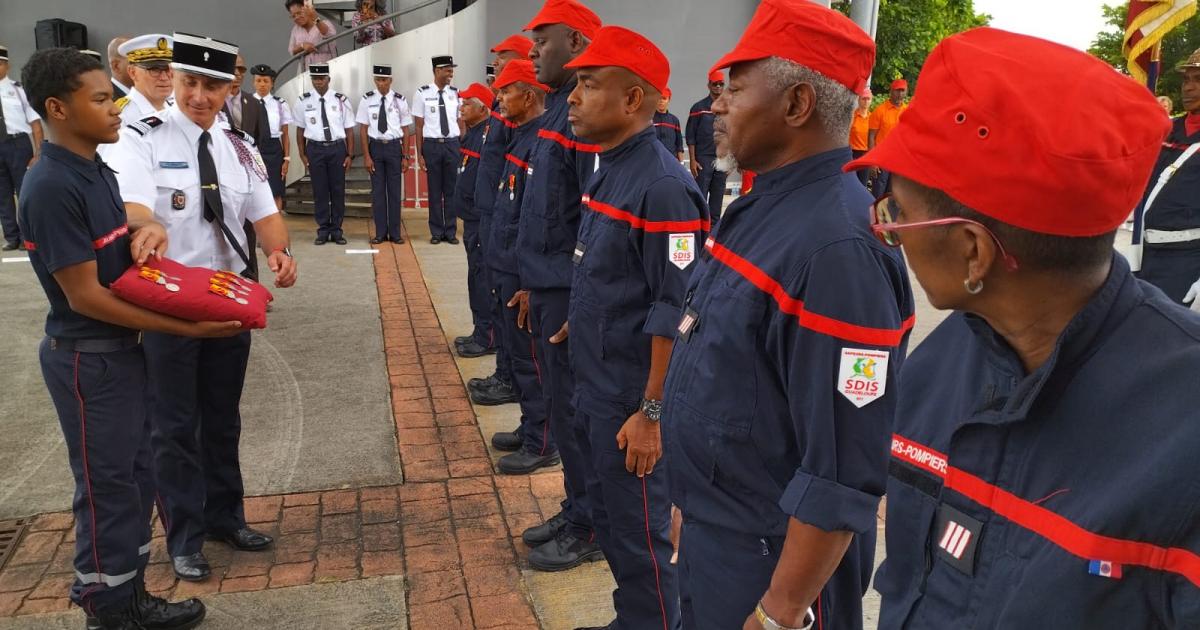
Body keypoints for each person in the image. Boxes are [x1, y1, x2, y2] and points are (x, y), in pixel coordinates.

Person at [845, 27, 1200, 629]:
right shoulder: (940, 367)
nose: (888, 232)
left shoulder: (1183, 435)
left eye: (896, 213)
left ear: (972, 252)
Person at [662, 2, 915, 628]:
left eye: (735, 89)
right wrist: (690, 500)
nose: (716, 105)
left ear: (797, 105)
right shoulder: (760, 208)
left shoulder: (837, 251)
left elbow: (842, 472)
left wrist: (781, 611)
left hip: (772, 567)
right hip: (718, 532)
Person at [17, 45, 222, 630]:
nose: (118, 108)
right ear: (58, 108)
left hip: (118, 355)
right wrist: (186, 325)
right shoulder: (51, 184)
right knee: (106, 487)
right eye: (103, 98)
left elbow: (124, 228)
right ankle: (108, 609)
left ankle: (129, 595)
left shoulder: (94, 167)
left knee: (135, 478)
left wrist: (151, 227)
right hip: (87, 360)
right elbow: (84, 295)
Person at [105, 32, 298, 583]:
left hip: (228, 300)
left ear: (227, 87)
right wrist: (148, 227)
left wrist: (280, 253)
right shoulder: (140, 136)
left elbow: (263, 212)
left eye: (212, 86)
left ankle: (225, 517)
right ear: (175, 80)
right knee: (173, 426)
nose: (199, 96)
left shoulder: (240, 144)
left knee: (222, 418)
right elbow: (136, 202)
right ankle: (184, 537)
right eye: (190, 83)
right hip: (171, 307)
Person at [564, 25, 711, 630]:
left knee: (641, 540)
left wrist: (651, 415)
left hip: (631, 402)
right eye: (575, 84)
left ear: (633, 100)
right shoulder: (612, 168)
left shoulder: (662, 186)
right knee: (613, 524)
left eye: (589, 84)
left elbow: (674, 311)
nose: (573, 96)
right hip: (596, 387)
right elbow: (613, 276)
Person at [510, 0, 605, 574]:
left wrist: (577, 298)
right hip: (547, 292)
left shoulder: (584, 121)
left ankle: (590, 523)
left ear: (573, 42)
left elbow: (593, 223)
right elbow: (544, 217)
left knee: (579, 415)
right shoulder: (555, 119)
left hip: (573, 298)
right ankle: (576, 508)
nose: (532, 53)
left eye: (541, 42)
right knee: (566, 418)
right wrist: (529, 283)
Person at [486, 59, 558, 476]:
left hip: (520, 273)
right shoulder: (521, 138)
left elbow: (538, 218)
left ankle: (542, 441)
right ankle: (530, 424)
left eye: (505, 92)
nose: (499, 99)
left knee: (531, 361)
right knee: (516, 355)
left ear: (528, 96)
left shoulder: (539, 143)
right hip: (505, 265)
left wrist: (531, 281)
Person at [462, 34, 533, 402]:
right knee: (494, 294)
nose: (496, 74)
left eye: (503, 63)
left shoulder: (515, 116)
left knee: (507, 306)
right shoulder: (500, 112)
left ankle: (508, 377)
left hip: (502, 221)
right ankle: (504, 372)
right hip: (489, 216)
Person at [1132, 47, 1200, 309]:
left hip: (1188, 259)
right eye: (1186, 80)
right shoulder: (1168, 128)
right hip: (1143, 252)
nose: (1188, 88)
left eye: (1197, 80)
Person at [452, 82, 496, 358]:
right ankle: (480, 330)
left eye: (467, 103)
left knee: (482, 279)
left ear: (482, 108)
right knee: (474, 277)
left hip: (480, 220)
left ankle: (487, 336)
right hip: (471, 220)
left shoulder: (486, 137)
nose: (462, 107)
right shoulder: (473, 134)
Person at [294, 63, 354, 245]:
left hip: (337, 149)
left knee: (337, 190)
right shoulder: (303, 101)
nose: (318, 82)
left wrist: (349, 155)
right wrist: (302, 154)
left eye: (322, 79)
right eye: (315, 79)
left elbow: (349, 130)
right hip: (315, 149)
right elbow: (299, 130)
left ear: (329, 79)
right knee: (320, 191)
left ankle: (336, 230)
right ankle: (322, 229)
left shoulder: (341, 100)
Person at [357, 63, 413, 244]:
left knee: (394, 192)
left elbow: (405, 130)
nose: (382, 83)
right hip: (376, 148)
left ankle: (395, 233)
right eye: (378, 80)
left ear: (391, 80)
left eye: (385, 80)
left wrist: (405, 156)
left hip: (394, 148)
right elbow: (363, 129)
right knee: (378, 192)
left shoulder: (400, 100)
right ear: (374, 80)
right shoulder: (367, 99)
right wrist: (366, 156)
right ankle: (380, 233)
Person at [413, 55, 462, 244]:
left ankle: (450, 231)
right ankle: (436, 231)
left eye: (452, 70)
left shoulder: (456, 93)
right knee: (434, 191)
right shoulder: (422, 93)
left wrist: (461, 144)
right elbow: (418, 126)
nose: (451, 73)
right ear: (437, 71)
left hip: (452, 144)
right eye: (448, 70)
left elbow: (460, 121)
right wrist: (420, 154)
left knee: (451, 191)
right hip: (432, 145)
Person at [0, 44, 43, 251]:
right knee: (2, 194)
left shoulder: (18, 90)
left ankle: (27, 237)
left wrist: (38, 152)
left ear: (6, 66)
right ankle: (11, 237)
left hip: (18, 145)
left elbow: (35, 124)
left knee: (24, 192)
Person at [250, 64, 294, 212]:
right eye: (259, 80)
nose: (262, 85)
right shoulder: (247, 103)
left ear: (272, 83)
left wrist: (286, 159)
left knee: (275, 191)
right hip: (253, 149)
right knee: (254, 191)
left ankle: (276, 227)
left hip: (274, 150)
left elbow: (286, 134)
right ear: (253, 82)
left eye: (266, 81)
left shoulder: (280, 104)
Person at [687, 69, 727, 221]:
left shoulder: (727, 107)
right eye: (715, 84)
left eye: (721, 84)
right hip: (703, 158)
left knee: (717, 201)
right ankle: (699, 231)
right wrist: (692, 159)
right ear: (709, 85)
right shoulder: (698, 108)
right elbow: (690, 135)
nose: (718, 87)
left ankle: (712, 236)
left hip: (722, 158)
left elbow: (733, 133)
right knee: (700, 198)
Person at [113, 35, 174, 125]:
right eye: (155, 69)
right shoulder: (121, 116)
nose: (164, 77)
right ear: (133, 72)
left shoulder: (177, 110)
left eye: (169, 69)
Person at [867, 77, 908, 197]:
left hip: (898, 161)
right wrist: (872, 161)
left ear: (906, 92)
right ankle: (873, 216)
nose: (900, 94)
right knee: (878, 195)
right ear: (891, 91)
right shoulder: (880, 111)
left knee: (893, 196)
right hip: (881, 160)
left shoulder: (908, 111)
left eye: (902, 90)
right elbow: (871, 137)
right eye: (897, 90)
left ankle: (889, 216)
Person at [286, 0, 338, 69]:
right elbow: (291, 50)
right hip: (306, 71)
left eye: (299, 13)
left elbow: (328, 34)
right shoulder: (295, 30)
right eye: (293, 16)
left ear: (306, 9)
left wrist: (315, 18)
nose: (297, 17)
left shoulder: (325, 23)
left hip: (326, 69)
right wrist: (302, 45)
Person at [653, 87, 684, 162]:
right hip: (653, 160)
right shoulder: (649, 119)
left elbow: (679, 144)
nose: (661, 101)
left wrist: (681, 163)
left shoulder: (674, 120)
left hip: (671, 160)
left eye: (664, 98)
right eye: (659, 98)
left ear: (669, 100)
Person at [849, 87, 872, 186]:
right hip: (852, 153)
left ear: (871, 100)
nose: (866, 101)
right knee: (851, 183)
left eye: (868, 99)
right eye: (863, 98)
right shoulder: (852, 116)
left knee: (862, 184)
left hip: (866, 154)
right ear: (858, 99)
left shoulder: (873, 117)